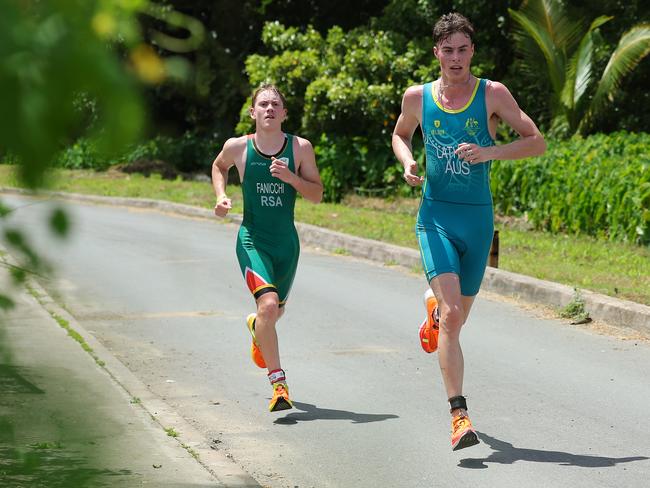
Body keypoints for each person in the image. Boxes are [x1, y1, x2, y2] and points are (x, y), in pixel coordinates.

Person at [392, 13, 545, 450]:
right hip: (435, 216)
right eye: (448, 49)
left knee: (455, 324)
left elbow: (536, 141)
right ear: (436, 51)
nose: (455, 58)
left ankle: (436, 313)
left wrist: (488, 152)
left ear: (472, 51)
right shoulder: (417, 97)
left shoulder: (492, 93)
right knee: (454, 316)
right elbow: (400, 135)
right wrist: (408, 162)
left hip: (478, 221)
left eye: (463, 49)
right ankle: (459, 416)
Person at [211, 83, 323, 412]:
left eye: (276, 104)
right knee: (269, 306)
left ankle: (257, 328)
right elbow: (219, 167)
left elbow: (317, 194)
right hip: (253, 240)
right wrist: (221, 196)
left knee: (274, 312)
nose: (270, 108)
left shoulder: (300, 148)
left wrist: (291, 178)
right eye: (263, 104)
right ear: (253, 112)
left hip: (286, 244)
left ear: (285, 113)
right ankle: (279, 386)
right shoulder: (238, 147)